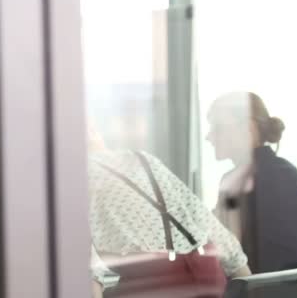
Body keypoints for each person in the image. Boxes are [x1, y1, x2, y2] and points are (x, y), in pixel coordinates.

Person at [87, 126, 250, 298]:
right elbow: (203, 217)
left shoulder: (74, 176)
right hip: (207, 269)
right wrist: (247, 279)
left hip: (154, 279)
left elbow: (86, 262)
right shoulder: (143, 159)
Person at [206, 92, 297, 274]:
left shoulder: (235, 181)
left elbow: (226, 249)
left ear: (248, 129)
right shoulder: (288, 172)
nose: (209, 136)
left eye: (218, 128)